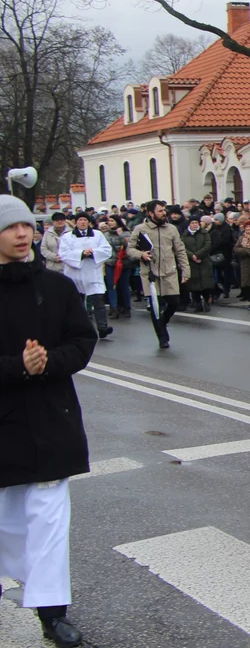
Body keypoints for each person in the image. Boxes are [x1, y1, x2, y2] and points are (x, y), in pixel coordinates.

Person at [0, 195, 97, 648]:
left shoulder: (57, 287)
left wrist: (48, 362)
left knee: (50, 523)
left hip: (51, 421)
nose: (22, 234)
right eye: (10, 228)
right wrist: (18, 366)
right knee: (5, 521)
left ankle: (52, 614)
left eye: (26, 226)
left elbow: (82, 339)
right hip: (3, 423)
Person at [126, 200, 190, 350]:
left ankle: (163, 322)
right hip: (150, 274)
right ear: (150, 213)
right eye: (160, 210)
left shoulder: (171, 229)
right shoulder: (140, 229)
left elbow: (180, 250)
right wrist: (141, 254)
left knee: (174, 302)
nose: (164, 213)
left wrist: (185, 270)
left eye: (164, 210)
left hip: (169, 272)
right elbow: (130, 249)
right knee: (155, 307)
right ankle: (162, 337)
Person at [58, 212, 114, 340]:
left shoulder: (97, 235)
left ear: (89, 222)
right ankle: (79, 328)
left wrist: (93, 253)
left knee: (98, 301)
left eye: (85, 220)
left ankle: (102, 327)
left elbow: (107, 250)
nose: (83, 222)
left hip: (93, 273)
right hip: (75, 274)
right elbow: (64, 254)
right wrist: (82, 254)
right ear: (76, 222)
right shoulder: (67, 237)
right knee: (77, 303)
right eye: (80, 220)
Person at [102, 216, 133, 319]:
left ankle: (127, 307)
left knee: (124, 286)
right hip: (111, 263)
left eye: (112, 221)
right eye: (109, 221)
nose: (110, 223)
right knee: (112, 286)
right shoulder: (105, 234)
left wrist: (120, 236)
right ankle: (114, 307)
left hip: (124, 263)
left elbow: (129, 246)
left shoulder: (126, 233)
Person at [183, 216, 216, 313]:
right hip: (191, 263)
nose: (194, 225)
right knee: (194, 286)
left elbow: (208, 245)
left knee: (206, 284)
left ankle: (206, 301)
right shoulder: (185, 235)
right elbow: (182, 247)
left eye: (196, 223)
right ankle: (198, 304)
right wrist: (191, 256)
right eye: (192, 223)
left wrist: (198, 255)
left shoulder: (204, 233)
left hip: (204, 261)